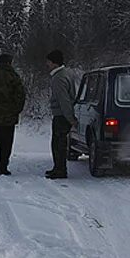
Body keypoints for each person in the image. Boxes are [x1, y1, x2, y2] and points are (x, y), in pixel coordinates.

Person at [45, 49, 77, 179]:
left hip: (61, 116)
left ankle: (60, 170)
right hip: (64, 115)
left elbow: (64, 100)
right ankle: (58, 168)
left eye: (48, 62)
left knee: (58, 144)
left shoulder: (58, 78)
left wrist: (70, 118)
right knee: (60, 144)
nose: (47, 64)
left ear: (54, 63)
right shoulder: (67, 73)